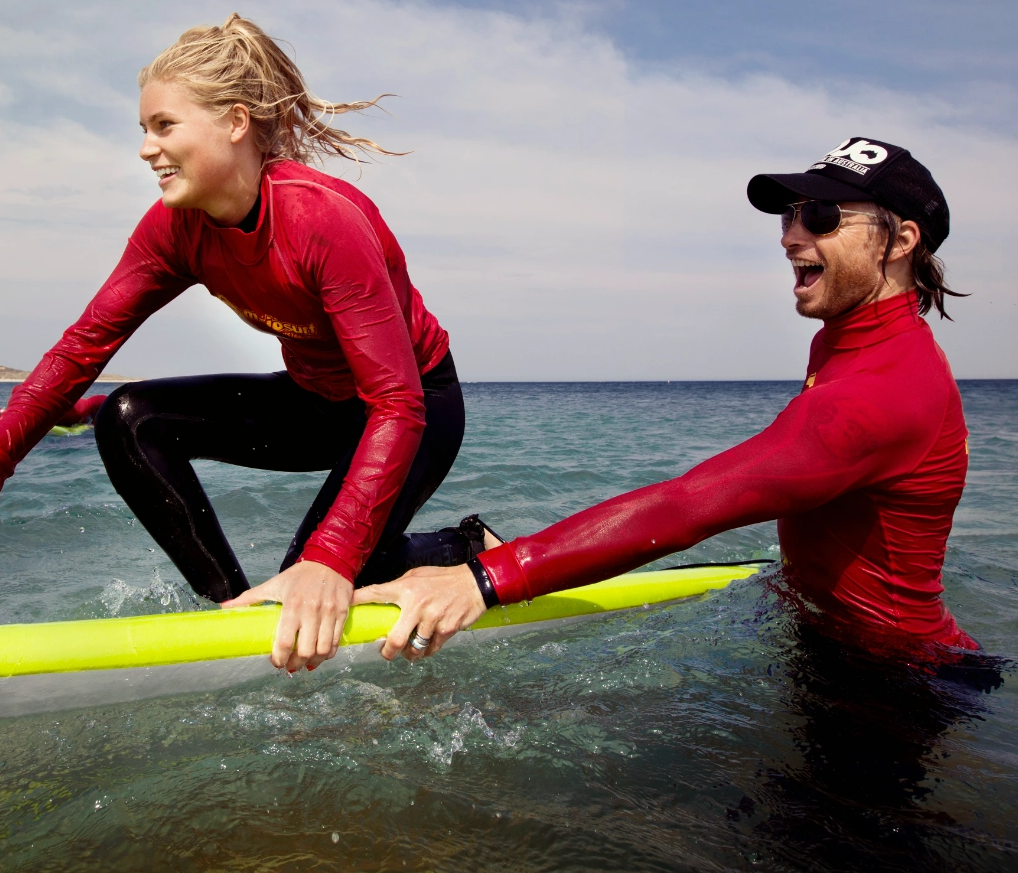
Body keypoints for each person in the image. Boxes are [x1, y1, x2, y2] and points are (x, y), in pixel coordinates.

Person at [0, 15, 488, 671]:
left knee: (335, 575)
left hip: (414, 409)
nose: (145, 149)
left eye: (164, 125)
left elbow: (396, 403)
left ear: (235, 122)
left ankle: (462, 547)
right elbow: (82, 348)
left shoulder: (320, 220)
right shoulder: (175, 229)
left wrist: (328, 563)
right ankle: (235, 612)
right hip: (315, 404)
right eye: (142, 131)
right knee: (130, 419)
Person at [357, 136, 979, 663]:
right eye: (788, 216)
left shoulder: (883, 390)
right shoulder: (851, 347)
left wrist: (485, 582)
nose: (791, 237)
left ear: (899, 242)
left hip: (893, 683)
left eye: (820, 217)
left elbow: (692, 504)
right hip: (828, 640)